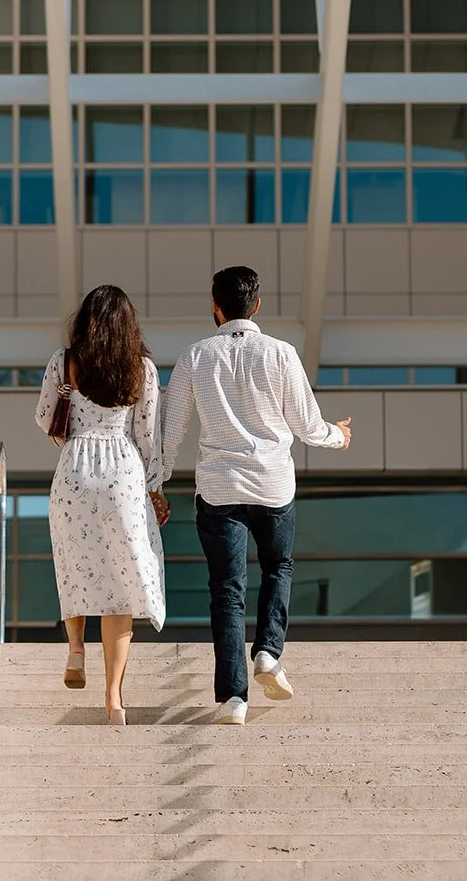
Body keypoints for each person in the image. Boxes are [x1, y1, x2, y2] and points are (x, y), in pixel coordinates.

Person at [160, 266, 352, 725]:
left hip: (219, 486)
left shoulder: (194, 357)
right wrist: (337, 437)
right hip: (272, 485)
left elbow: (171, 429)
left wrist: (157, 482)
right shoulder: (282, 354)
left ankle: (233, 700)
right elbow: (307, 426)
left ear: (214, 305)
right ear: (258, 305)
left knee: (227, 592)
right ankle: (267, 651)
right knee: (278, 568)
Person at [34, 284, 172, 726]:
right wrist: (155, 487)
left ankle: (76, 650)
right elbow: (149, 437)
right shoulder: (142, 369)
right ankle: (114, 702)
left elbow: (44, 418)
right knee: (120, 585)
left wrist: (70, 440)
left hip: (74, 469)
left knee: (74, 564)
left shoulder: (64, 361)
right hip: (122, 474)